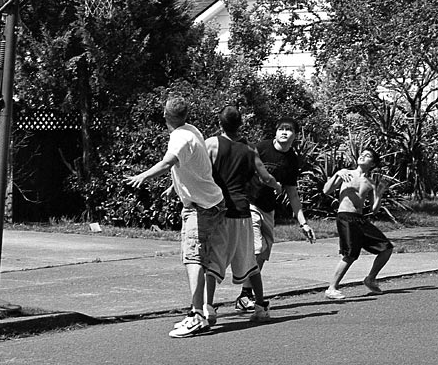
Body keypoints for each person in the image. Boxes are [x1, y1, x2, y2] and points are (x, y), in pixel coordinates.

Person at [125, 96, 225, 338]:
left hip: (201, 208)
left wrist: (142, 176)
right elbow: (194, 164)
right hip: (211, 202)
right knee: (202, 258)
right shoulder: (192, 130)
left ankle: (197, 315)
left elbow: (167, 162)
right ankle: (204, 309)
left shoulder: (179, 137)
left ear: (164, 115)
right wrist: (175, 186)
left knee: (193, 258)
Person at [204, 105, 282, 324]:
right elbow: (265, 177)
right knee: (249, 261)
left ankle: (208, 307)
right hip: (243, 212)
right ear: (240, 125)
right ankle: (261, 306)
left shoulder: (211, 144)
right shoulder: (249, 149)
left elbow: (200, 171)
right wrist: (277, 186)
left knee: (213, 261)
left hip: (220, 211)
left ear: (220, 123)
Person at [235, 116, 316, 311]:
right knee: (257, 248)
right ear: (276, 132)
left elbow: (292, 193)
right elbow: (240, 169)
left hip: (268, 208)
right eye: (281, 129)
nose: (284, 132)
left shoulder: (291, 159)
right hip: (249, 202)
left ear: (295, 135)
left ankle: (246, 294)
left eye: (289, 130)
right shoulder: (261, 148)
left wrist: (303, 223)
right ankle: (246, 295)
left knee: (264, 252)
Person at [322, 147, 393, 300]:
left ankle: (370, 279)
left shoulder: (371, 183)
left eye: (367, 156)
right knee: (350, 254)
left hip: (360, 219)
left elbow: (374, 209)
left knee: (386, 248)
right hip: (345, 216)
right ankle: (331, 288)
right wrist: (337, 174)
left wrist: (379, 194)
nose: (362, 156)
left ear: (372, 164)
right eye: (362, 154)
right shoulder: (346, 174)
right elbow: (326, 191)